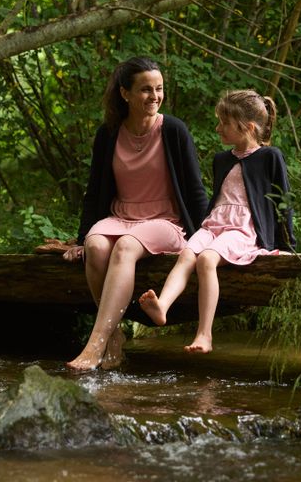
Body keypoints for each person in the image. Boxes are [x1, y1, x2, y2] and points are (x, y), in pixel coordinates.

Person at [63, 57, 208, 371]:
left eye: (159, 89)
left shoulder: (173, 130)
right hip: (120, 217)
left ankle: (95, 343)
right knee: (96, 246)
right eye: (145, 89)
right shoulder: (109, 134)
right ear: (125, 94)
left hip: (165, 221)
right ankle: (114, 335)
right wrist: (81, 237)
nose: (154, 96)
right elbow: (95, 190)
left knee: (126, 246)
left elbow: (195, 190)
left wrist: (205, 238)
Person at [138, 89, 296, 354]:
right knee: (188, 254)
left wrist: (288, 245)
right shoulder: (221, 159)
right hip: (215, 224)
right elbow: (216, 200)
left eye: (224, 122)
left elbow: (283, 201)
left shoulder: (270, 156)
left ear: (247, 127)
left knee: (206, 259)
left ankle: (204, 334)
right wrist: (197, 229)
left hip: (244, 228)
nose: (217, 127)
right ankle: (163, 307)